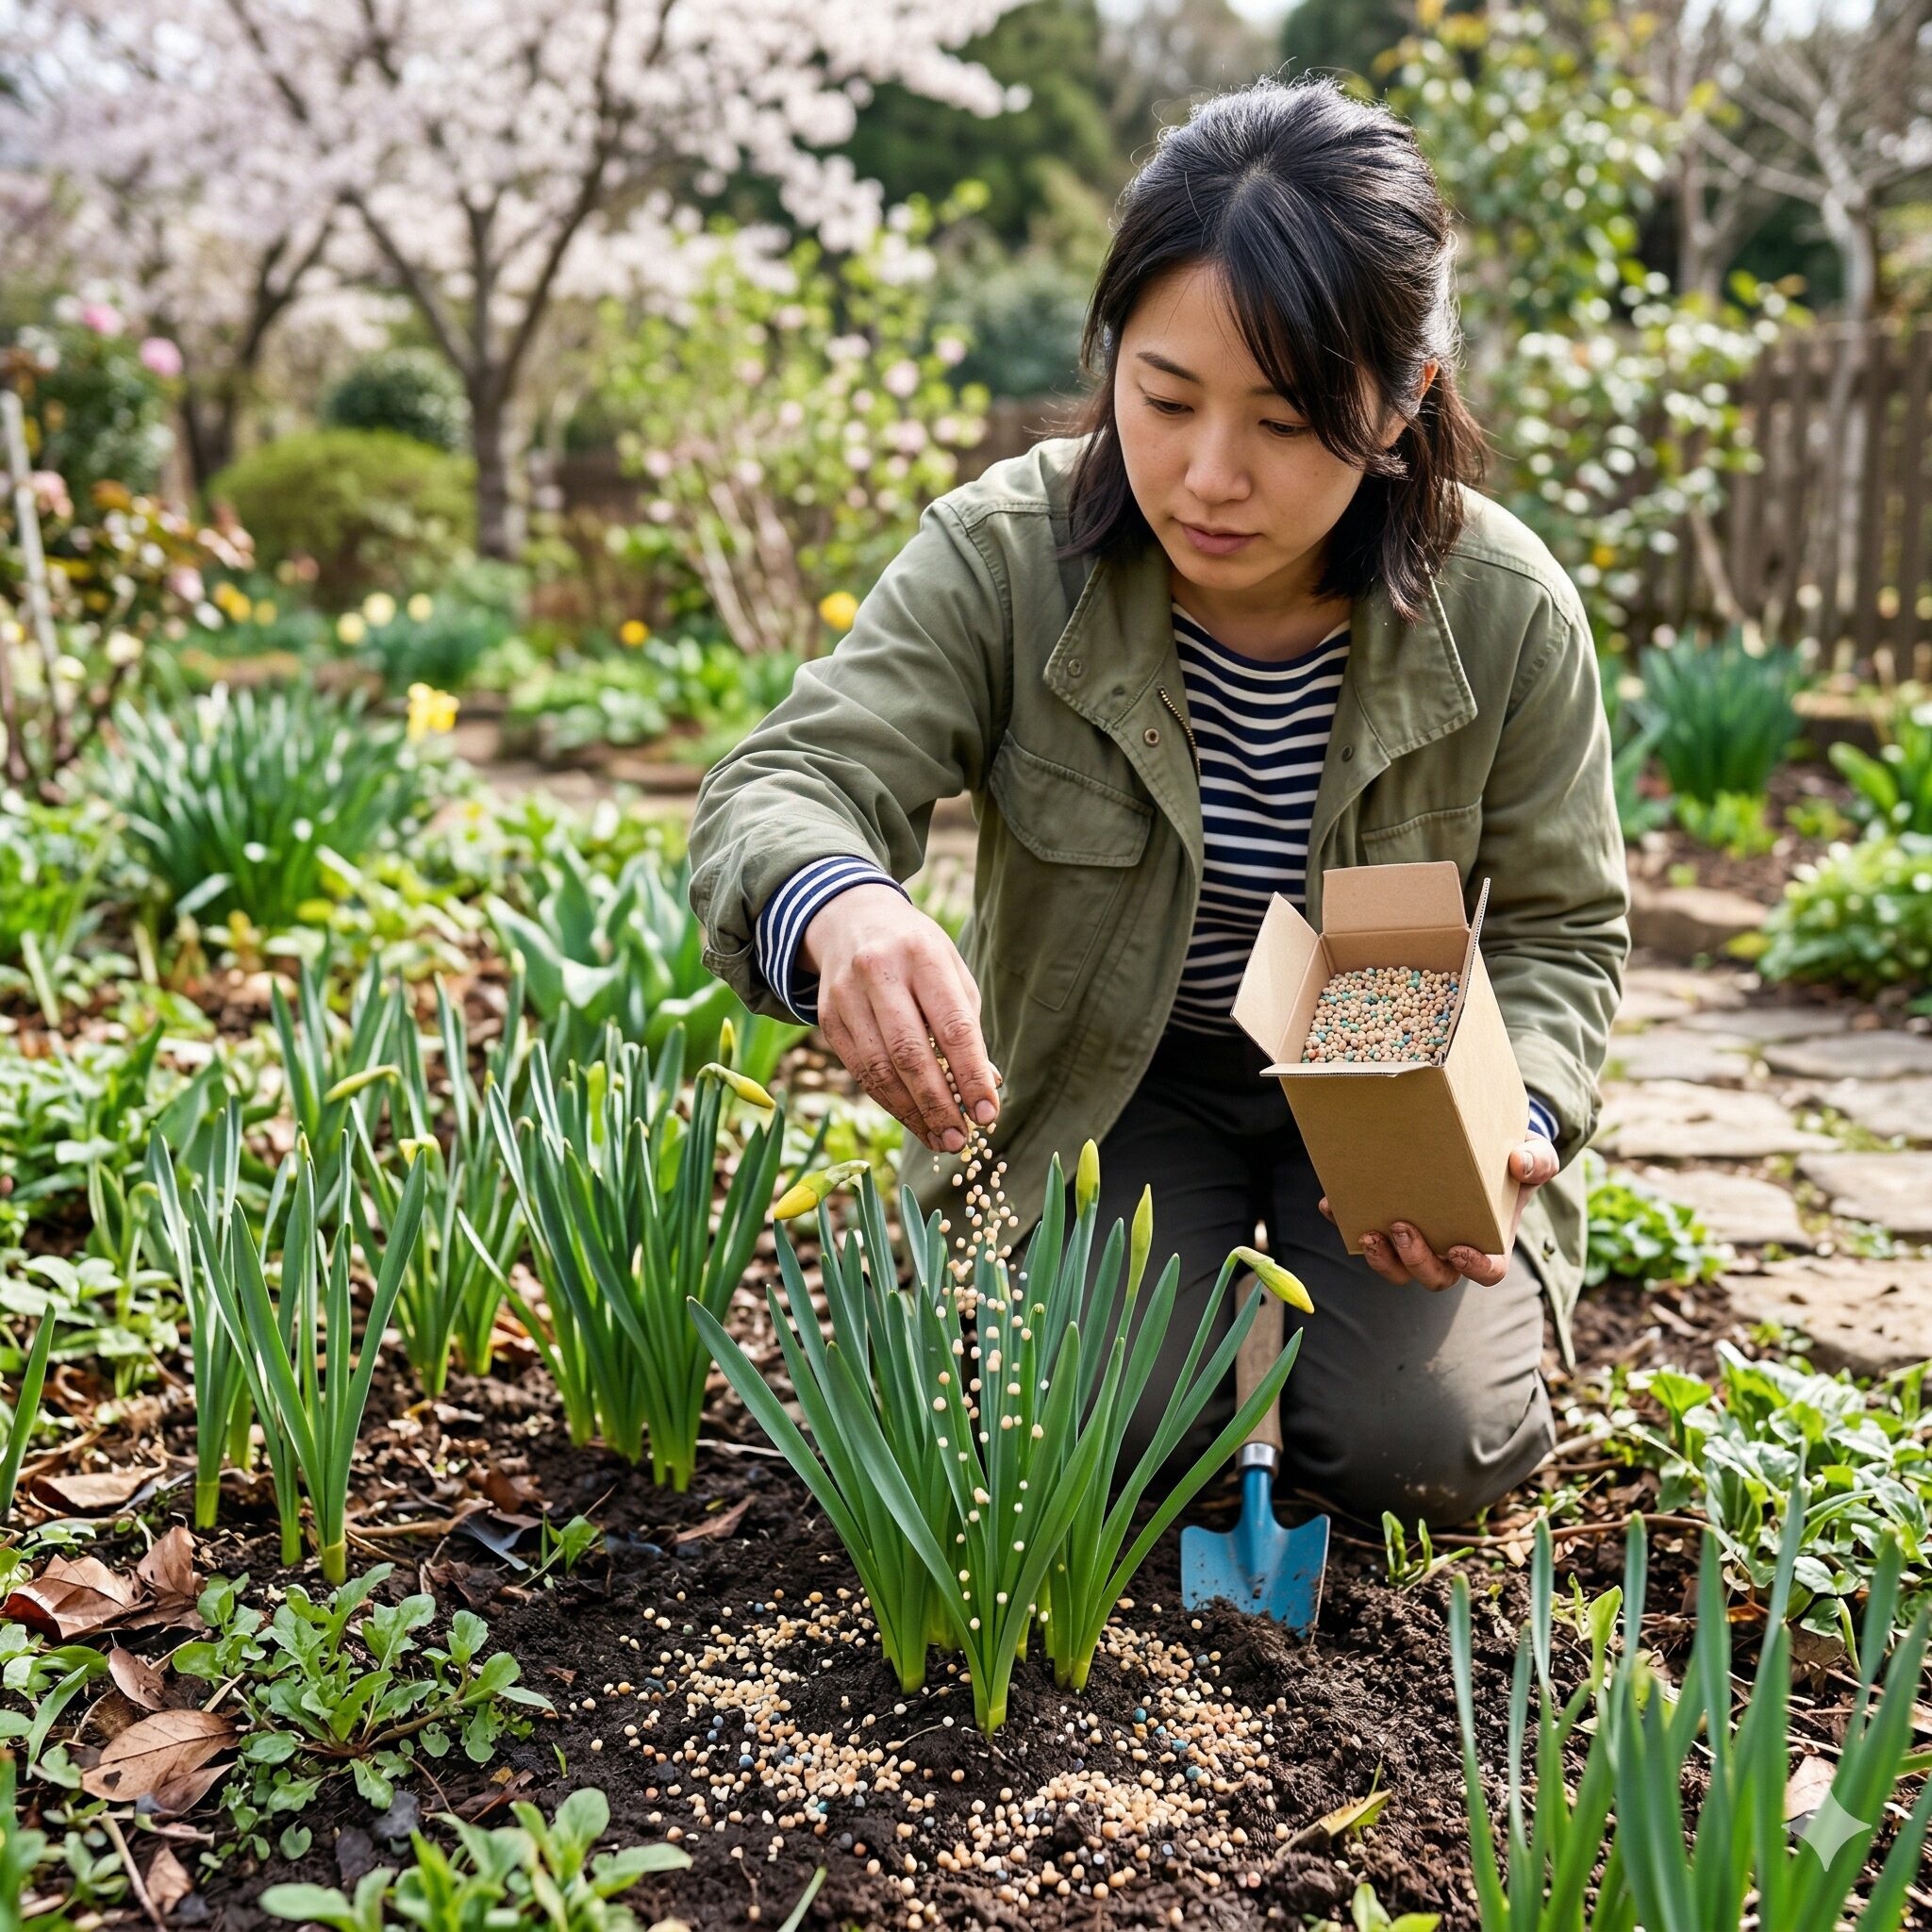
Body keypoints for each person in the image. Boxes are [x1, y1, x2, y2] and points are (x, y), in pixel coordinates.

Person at [689, 75, 1628, 1528]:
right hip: (1108, 1082)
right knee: (1112, 1445)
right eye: (1165, 396)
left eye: (1286, 422)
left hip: (1385, 1081)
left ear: (1404, 401)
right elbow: (793, 777)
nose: (1208, 477)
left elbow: (1566, 928)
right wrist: (844, 904)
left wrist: (1528, 1119)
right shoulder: (1013, 557)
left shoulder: (1500, 610)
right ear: (1112, 350)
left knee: (1414, 1458)